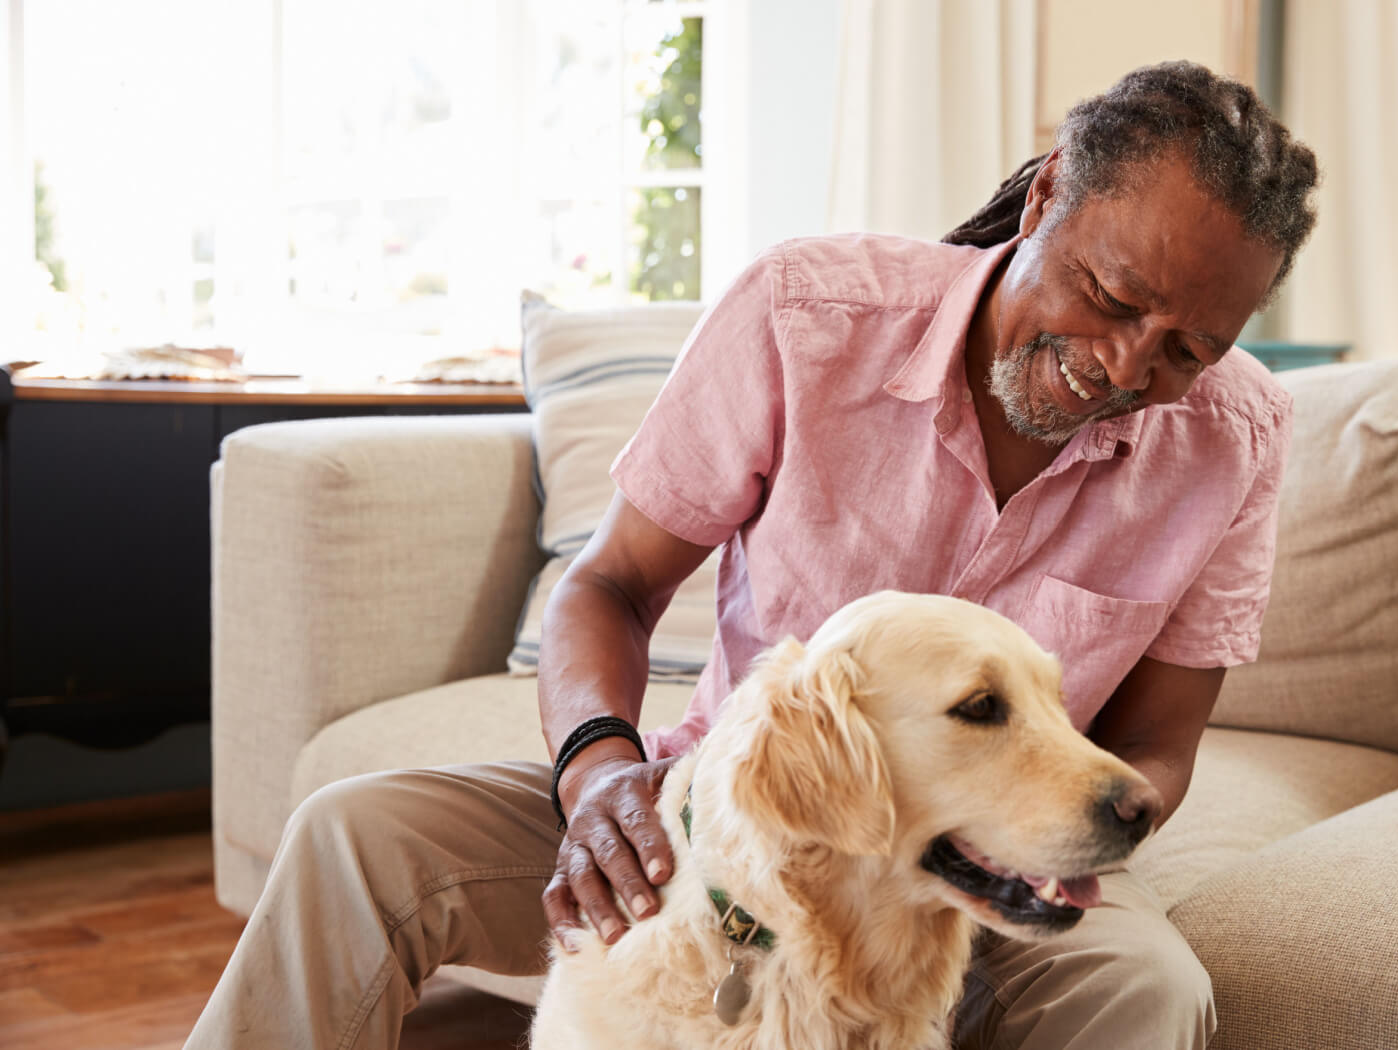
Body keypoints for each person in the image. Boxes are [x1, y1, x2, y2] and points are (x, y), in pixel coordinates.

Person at [187, 61, 1318, 1050]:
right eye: (1107, 295)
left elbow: (1156, 747)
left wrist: (1016, 862)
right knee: (356, 835)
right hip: (721, 808)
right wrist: (597, 775)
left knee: (1146, 990)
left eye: (1186, 349)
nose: (1123, 367)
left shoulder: (1234, 439)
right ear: (1041, 203)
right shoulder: (807, 314)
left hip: (988, 872)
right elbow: (611, 586)